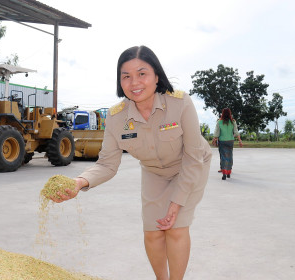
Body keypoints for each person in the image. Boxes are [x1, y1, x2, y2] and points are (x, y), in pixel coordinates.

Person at [50, 46, 212, 280]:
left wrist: (176, 202)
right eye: (126, 76)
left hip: (191, 165)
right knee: (153, 232)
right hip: (155, 172)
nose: (134, 82)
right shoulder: (116, 118)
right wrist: (78, 182)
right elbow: (106, 164)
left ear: (156, 76)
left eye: (141, 73)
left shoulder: (180, 103)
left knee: (175, 228)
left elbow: (194, 155)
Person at [212, 108, 243, 180]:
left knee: (223, 156)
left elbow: (217, 132)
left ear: (222, 114)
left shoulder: (219, 122)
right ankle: (228, 172)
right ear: (230, 113)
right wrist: (240, 140)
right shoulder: (233, 122)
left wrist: (214, 139)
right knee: (229, 156)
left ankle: (224, 173)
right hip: (230, 141)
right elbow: (236, 132)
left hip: (222, 141)